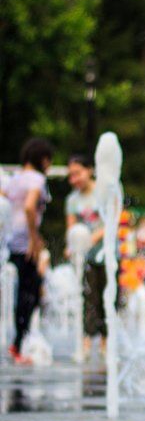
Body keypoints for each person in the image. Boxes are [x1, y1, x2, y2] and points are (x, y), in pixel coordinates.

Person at [4, 137, 53, 363]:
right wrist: (34, 240)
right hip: (25, 245)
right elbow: (29, 206)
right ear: (44, 159)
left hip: (9, 243)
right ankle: (18, 347)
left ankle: (17, 345)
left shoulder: (14, 179)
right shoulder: (37, 180)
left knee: (17, 294)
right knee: (28, 297)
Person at [66, 154, 105, 355]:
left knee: (107, 299)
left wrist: (91, 238)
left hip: (107, 255)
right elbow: (71, 228)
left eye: (77, 173)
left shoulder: (103, 191)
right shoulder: (72, 200)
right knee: (88, 298)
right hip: (86, 258)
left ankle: (106, 343)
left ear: (89, 170)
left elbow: (110, 222)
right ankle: (87, 342)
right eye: (71, 176)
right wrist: (71, 246)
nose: (74, 179)